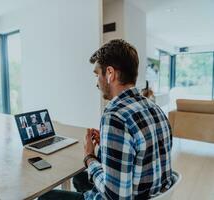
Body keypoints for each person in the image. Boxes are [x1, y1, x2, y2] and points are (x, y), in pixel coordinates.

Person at [38, 39, 173, 200]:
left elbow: (115, 196)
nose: (97, 83)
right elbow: (142, 152)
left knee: (46, 197)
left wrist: (89, 156)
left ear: (110, 73)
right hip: (152, 193)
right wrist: (107, 146)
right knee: (80, 178)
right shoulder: (154, 108)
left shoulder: (115, 117)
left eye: (97, 74)